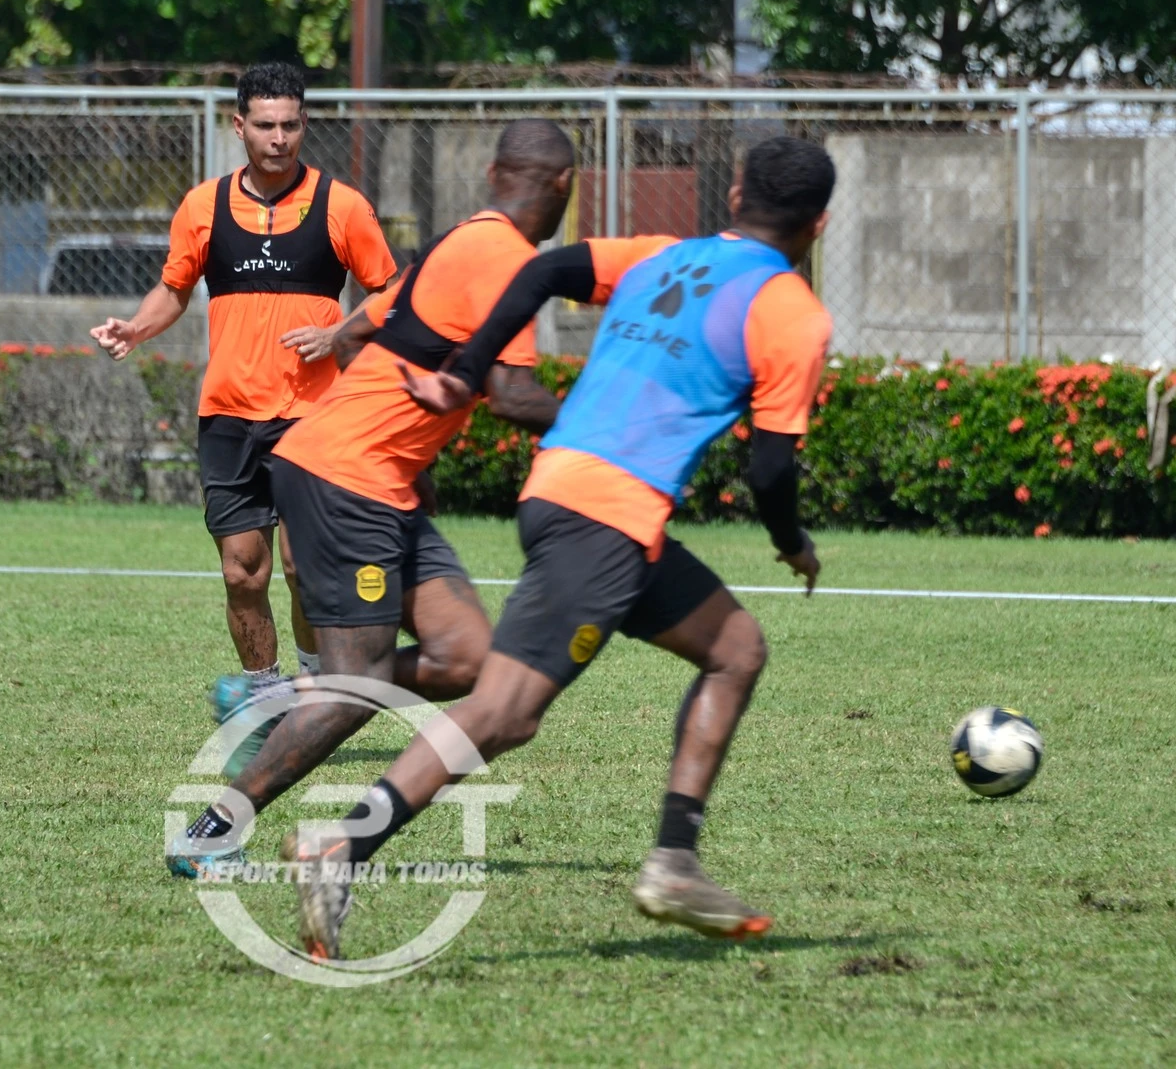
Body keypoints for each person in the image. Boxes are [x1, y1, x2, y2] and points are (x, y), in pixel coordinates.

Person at [282, 135, 837, 960]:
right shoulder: (793, 312)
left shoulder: (660, 256)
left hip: (575, 500)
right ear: (819, 225)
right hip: (603, 520)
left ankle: (675, 860)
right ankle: (342, 845)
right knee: (502, 713)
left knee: (736, 648)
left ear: (733, 198)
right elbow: (770, 464)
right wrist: (792, 542)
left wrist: (466, 372)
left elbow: (538, 272)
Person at [168, 120, 587, 878]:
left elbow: (359, 331)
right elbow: (514, 392)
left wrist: (411, 451)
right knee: (356, 686)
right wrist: (612, 422)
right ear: (564, 185)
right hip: (346, 478)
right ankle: (211, 828)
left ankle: (279, 692)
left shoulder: (459, 242)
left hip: (376, 479)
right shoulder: (508, 261)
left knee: (466, 657)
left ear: (495, 173)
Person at [90, 62, 396, 762]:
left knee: (304, 568)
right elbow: (172, 288)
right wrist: (137, 328)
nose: (279, 137)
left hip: (313, 416)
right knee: (241, 570)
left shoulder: (340, 206)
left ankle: (315, 693)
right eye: (265, 124)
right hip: (228, 415)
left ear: (304, 124)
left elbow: (392, 290)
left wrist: (339, 333)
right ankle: (262, 698)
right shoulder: (203, 205)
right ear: (238, 126)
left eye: (290, 124)